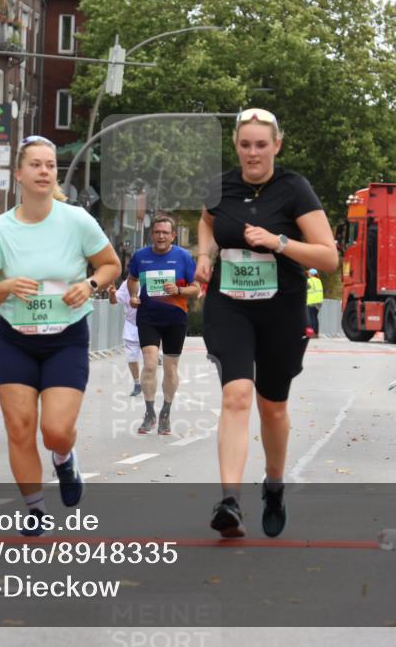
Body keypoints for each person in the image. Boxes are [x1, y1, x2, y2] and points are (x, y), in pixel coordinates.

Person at [196, 109, 338, 538]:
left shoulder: (294, 189)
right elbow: (207, 220)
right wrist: (205, 256)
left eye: (261, 144)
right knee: (236, 395)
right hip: (229, 305)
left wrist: (279, 242)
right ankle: (230, 500)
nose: (253, 153)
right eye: (245, 145)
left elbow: (328, 256)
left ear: (276, 145)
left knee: (272, 406)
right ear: (236, 146)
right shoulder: (220, 185)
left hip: (282, 308)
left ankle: (273, 486)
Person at [0, 136, 120, 536]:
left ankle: (64, 456)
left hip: (66, 336)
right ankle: (35, 509)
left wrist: (89, 284)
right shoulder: (1, 229)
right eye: (36, 165)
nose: (44, 171)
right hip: (15, 338)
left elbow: (110, 264)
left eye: (50, 165)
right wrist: (7, 287)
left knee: (54, 429)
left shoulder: (76, 220)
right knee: (19, 428)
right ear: (19, 174)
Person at [127, 215, 198, 435]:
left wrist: (179, 291)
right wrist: (133, 296)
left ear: (172, 236)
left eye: (165, 233)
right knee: (149, 364)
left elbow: (196, 288)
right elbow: (132, 279)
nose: (160, 236)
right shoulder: (141, 256)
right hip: (148, 317)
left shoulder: (183, 257)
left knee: (170, 368)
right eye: (157, 232)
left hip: (175, 318)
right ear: (152, 234)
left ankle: (165, 412)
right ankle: (149, 413)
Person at [108, 279, 142, 396]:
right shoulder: (126, 284)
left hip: (149, 324)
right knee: (132, 357)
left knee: (150, 357)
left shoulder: (150, 278)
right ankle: (137, 383)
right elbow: (113, 301)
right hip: (131, 325)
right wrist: (112, 293)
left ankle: (148, 381)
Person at [305, 268, 323, 336]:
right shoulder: (319, 281)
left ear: (312, 274)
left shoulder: (309, 281)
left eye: (309, 273)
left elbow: (303, 288)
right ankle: (316, 333)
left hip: (312, 301)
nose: (308, 274)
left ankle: (313, 333)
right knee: (315, 317)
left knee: (311, 317)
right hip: (319, 302)